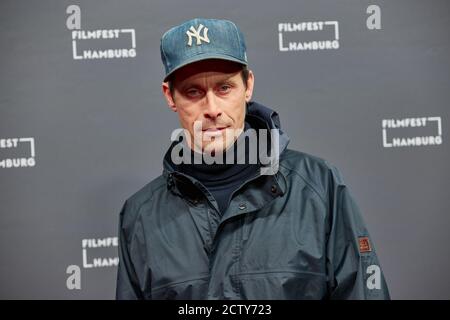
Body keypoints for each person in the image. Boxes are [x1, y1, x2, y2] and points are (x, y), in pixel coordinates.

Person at [116, 18, 390, 300]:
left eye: (224, 88)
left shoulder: (319, 187)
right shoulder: (139, 216)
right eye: (193, 91)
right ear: (170, 97)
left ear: (248, 86)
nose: (212, 109)